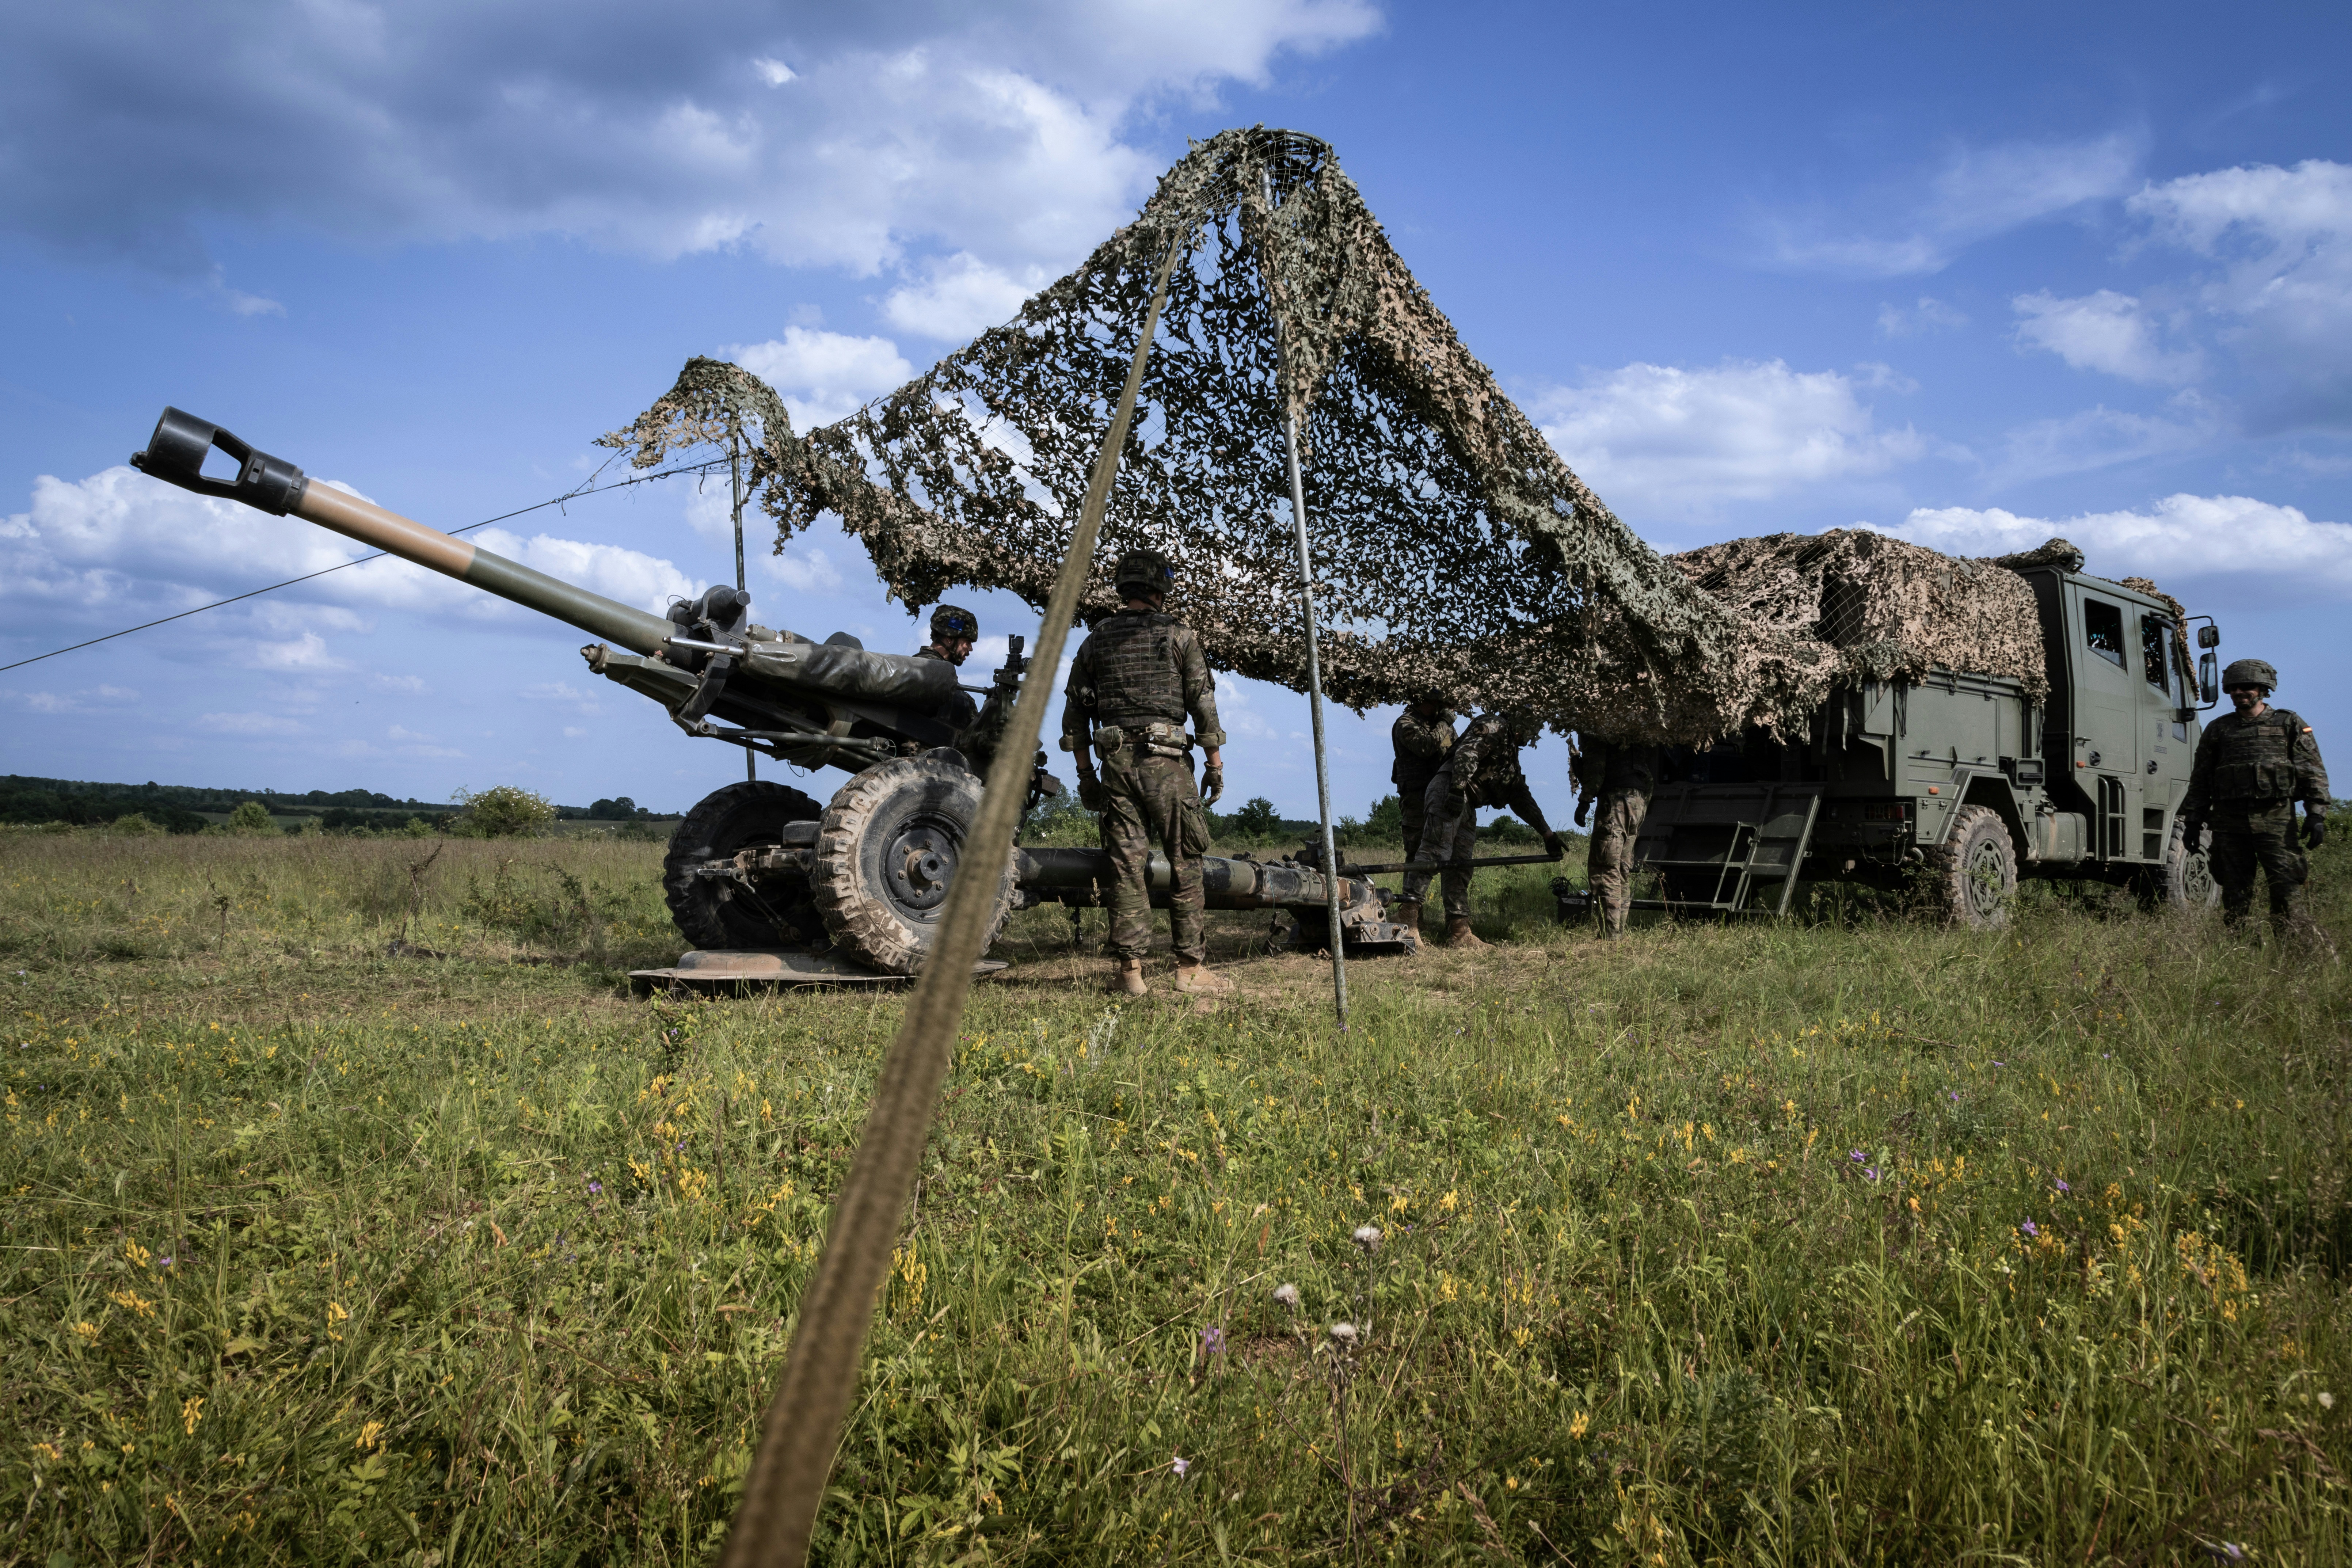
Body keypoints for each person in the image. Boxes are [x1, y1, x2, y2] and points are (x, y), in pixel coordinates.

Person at [1061, 549, 1232, 997]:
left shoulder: (1096, 640)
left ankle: (1131, 974)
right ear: (1161, 589)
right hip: (1169, 766)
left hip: (1116, 765)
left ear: (1124, 588)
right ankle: (1189, 969)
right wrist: (1214, 765)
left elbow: (1075, 717)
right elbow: (1204, 708)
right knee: (1186, 861)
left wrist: (1086, 776)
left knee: (1126, 868)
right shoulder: (1179, 635)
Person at [2179, 658, 2330, 945]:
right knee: (2236, 898)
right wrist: (2193, 821)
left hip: (2277, 824)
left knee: (2287, 894)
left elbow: (2312, 771)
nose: (2239, 692)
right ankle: (2244, 957)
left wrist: (2317, 814)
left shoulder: (2289, 724)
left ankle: (2293, 959)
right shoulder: (2218, 730)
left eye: (2246, 687)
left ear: (2263, 689)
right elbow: (2201, 779)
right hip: (2229, 826)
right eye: (2233, 688)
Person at [1398, 709, 1563, 948]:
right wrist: (1456, 789)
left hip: (1468, 802)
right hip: (1451, 792)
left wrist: (1547, 834)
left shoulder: (1509, 753)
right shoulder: (1495, 725)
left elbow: (1519, 796)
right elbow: (1468, 752)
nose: (1534, 737)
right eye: (1534, 729)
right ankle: (1407, 919)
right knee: (1434, 854)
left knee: (1461, 867)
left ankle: (1460, 931)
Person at [1573, 735, 1663, 939]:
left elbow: (1596, 769)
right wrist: (1641, 806)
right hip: (1638, 801)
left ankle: (1611, 935)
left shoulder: (1597, 729)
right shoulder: (1628, 732)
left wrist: (1585, 801)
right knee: (1622, 870)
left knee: (1605, 868)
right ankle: (1617, 931)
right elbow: (1648, 778)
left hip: (1616, 800)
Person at [1389, 693, 1457, 864]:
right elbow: (1425, 748)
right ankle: (1411, 892)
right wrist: (1445, 723)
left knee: (1450, 851)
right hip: (1416, 797)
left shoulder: (1442, 724)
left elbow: (1456, 752)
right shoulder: (1406, 723)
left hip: (1443, 794)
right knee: (1416, 851)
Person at [915, 605, 981, 734]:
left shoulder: (916, 665)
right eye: (968, 642)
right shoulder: (941, 678)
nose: (970, 648)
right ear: (950, 638)